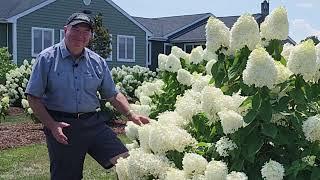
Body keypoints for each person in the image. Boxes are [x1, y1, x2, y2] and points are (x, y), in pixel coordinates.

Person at [25, 12, 149, 180]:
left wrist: (131, 114)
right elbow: (33, 97)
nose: (80, 35)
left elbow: (112, 94)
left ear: (91, 36)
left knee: (127, 162)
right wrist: (52, 125)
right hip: (62, 126)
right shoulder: (47, 59)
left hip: (93, 124)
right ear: (65, 30)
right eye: (75, 29)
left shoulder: (97, 62)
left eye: (86, 32)